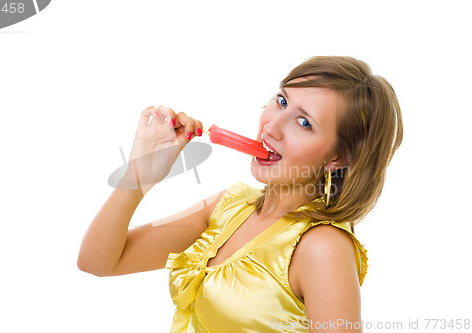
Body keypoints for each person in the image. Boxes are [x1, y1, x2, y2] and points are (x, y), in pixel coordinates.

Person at [78, 56, 403, 333]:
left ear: (338, 158)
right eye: (282, 101)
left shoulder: (322, 248)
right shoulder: (229, 205)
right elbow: (99, 261)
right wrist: (140, 173)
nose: (271, 127)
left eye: (304, 122)